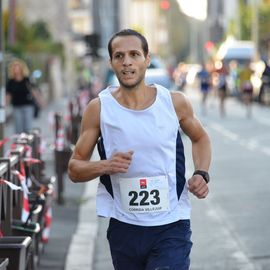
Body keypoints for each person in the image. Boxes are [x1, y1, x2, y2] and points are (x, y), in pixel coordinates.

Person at [68, 29, 211, 270]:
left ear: (146, 58)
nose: (127, 62)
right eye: (119, 56)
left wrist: (201, 173)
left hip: (171, 225)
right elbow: (74, 168)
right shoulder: (99, 108)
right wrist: (105, 165)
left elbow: (201, 138)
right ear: (111, 62)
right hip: (125, 227)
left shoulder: (174, 102)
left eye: (134, 54)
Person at [6, 59, 43, 133]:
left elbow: (34, 92)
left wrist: (40, 102)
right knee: (18, 128)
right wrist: (5, 107)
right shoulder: (11, 82)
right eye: (14, 67)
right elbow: (8, 95)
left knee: (28, 128)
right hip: (16, 106)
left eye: (18, 67)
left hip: (28, 106)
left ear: (22, 68)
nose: (16, 69)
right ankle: (19, 144)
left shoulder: (27, 80)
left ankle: (27, 143)